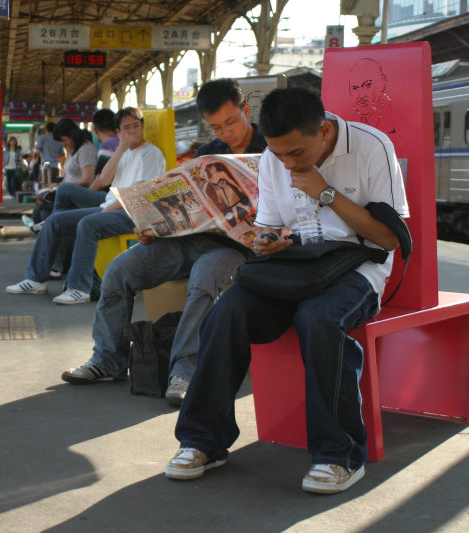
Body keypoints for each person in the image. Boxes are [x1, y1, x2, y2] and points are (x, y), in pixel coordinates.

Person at [165, 87, 409, 495]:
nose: (286, 163)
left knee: (319, 318)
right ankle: (203, 440)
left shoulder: (371, 147)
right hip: (299, 263)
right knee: (227, 312)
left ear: (325, 130)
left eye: (295, 153)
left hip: (359, 267)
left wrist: (324, 192)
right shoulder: (274, 158)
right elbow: (272, 224)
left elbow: (388, 239)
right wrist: (267, 240)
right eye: (278, 154)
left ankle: (340, 454)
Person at [60, 78, 266, 405]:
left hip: (237, 247)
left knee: (203, 281)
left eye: (231, 122)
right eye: (216, 127)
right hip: (189, 238)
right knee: (118, 272)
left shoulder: (272, 148)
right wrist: (153, 225)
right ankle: (108, 359)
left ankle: (184, 369)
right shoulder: (209, 153)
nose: (226, 133)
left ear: (246, 110)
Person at [5, 108, 165, 305]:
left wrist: (105, 210)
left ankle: (79, 288)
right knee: (56, 221)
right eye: (126, 127)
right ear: (119, 132)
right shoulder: (123, 152)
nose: (132, 131)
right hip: (110, 205)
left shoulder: (151, 154)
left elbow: (139, 193)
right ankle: (35, 279)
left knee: (88, 224)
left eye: (136, 125)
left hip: (134, 212)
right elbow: (105, 178)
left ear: (142, 126)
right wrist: (121, 149)